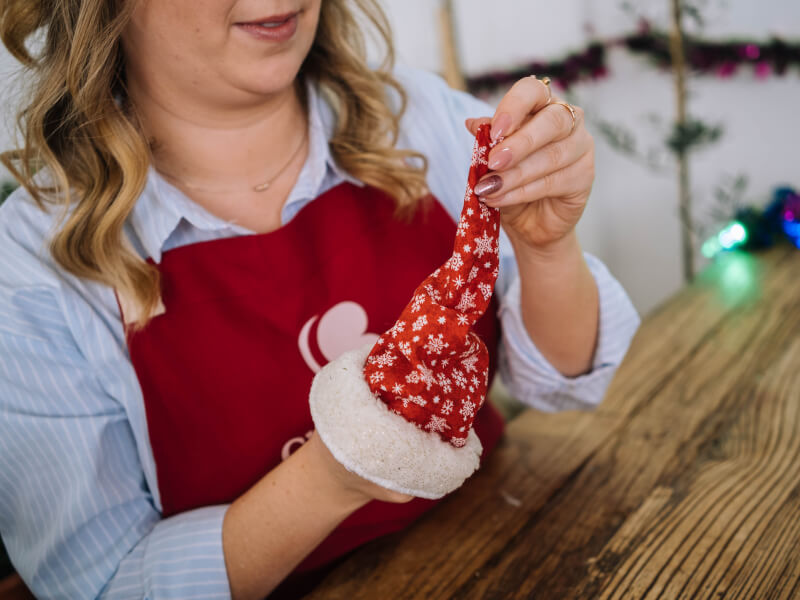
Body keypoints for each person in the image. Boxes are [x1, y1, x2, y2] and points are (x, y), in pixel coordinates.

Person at [0, 1, 640, 598]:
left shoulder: (416, 117)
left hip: (505, 545)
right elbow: (104, 582)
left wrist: (548, 250)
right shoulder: (32, 265)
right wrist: (343, 468)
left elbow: (566, 383)